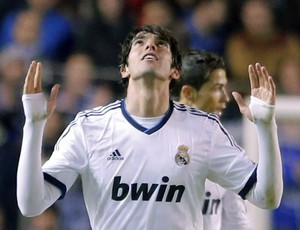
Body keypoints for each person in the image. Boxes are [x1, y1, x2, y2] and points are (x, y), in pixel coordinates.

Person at [17, 25, 283, 229]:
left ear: (175, 72)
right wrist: (33, 126)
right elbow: (31, 205)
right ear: (124, 69)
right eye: (140, 43)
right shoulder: (90, 128)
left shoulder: (204, 130)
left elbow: (266, 197)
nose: (150, 47)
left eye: (161, 44)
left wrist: (266, 127)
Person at [171, 49, 252, 229]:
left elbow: (236, 221)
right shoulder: (153, 142)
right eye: (218, 88)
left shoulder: (224, 150)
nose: (225, 99)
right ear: (189, 93)